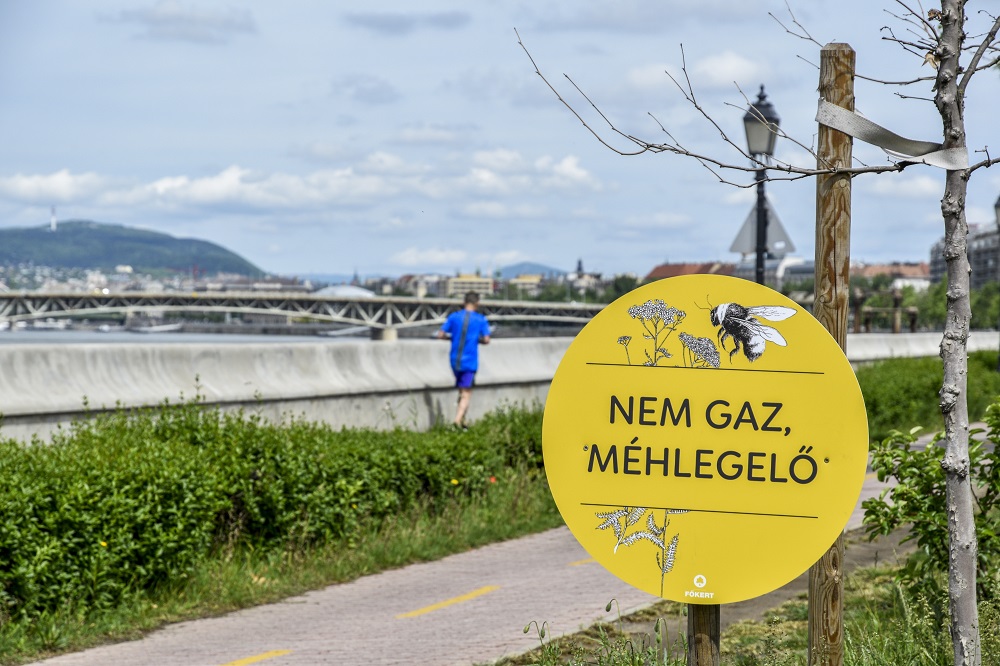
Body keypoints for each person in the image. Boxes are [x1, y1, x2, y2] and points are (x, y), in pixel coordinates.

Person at [437, 291, 491, 429]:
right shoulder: (480, 319)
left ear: (464, 302)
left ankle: (462, 422)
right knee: (466, 393)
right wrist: (477, 340)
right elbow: (486, 339)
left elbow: (441, 334)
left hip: (454, 359)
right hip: (470, 361)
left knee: (462, 391)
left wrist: (452, 338)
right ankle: (456, 422)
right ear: (477, 303)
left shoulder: (454, 317)